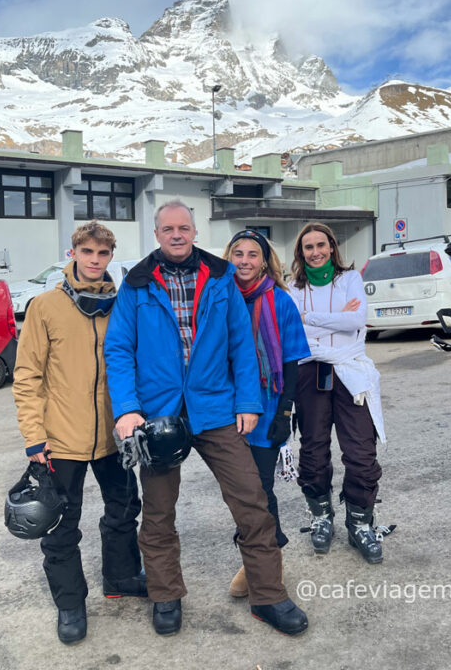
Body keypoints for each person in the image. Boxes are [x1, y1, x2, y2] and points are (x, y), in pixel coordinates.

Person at [105, 200, 308, 637]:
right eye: (168, 229)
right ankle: (165, 596)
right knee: (159, 513)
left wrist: (248, 403)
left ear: (194, 232)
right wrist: (126, 409)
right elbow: (119, 350)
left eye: (184, 227)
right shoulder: (136, 284)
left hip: (216, 408)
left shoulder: (220, 278)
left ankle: (268, 596)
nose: (176, 235)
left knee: (251, 502)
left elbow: (241, 344)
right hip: (159, 416)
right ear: (156, 234)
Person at [12, 221, 146, 645]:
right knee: (60, 526)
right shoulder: (45, 306)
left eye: (102, 253)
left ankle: (122, 576)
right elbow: (27, 376)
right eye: (86, 252)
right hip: (61, 440)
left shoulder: (123, 304)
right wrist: (35, 437)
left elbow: (135, 365)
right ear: (73, 254)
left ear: (110, 257)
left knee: (124, 510)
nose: (94, 260)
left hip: (113, 436)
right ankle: (71, 602)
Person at [287, 222, 386, 564]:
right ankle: (320, 516)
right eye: (307, 247)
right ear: (300, 253)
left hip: (350, 371)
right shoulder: (292, 287)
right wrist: (334, 320)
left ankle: (360, 521)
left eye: (320, 245)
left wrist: (310, 319)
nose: (315, 252)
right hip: (309, 370)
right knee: (313, 451)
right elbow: (293, 330)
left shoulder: (350, 279)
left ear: (332, 247)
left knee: (361, 452)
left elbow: (356, 320)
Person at [222, 229, 309, 597]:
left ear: (264, 260)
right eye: (237, 253)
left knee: (259, 488)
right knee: (238, 492)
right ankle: (259, 554)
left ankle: (266, 560)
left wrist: (284, 413)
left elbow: (292, 362)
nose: (244, 261)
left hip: (267, 406)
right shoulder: (219, 298)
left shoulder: (281, 301)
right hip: (225, 407)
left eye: (252, 254)